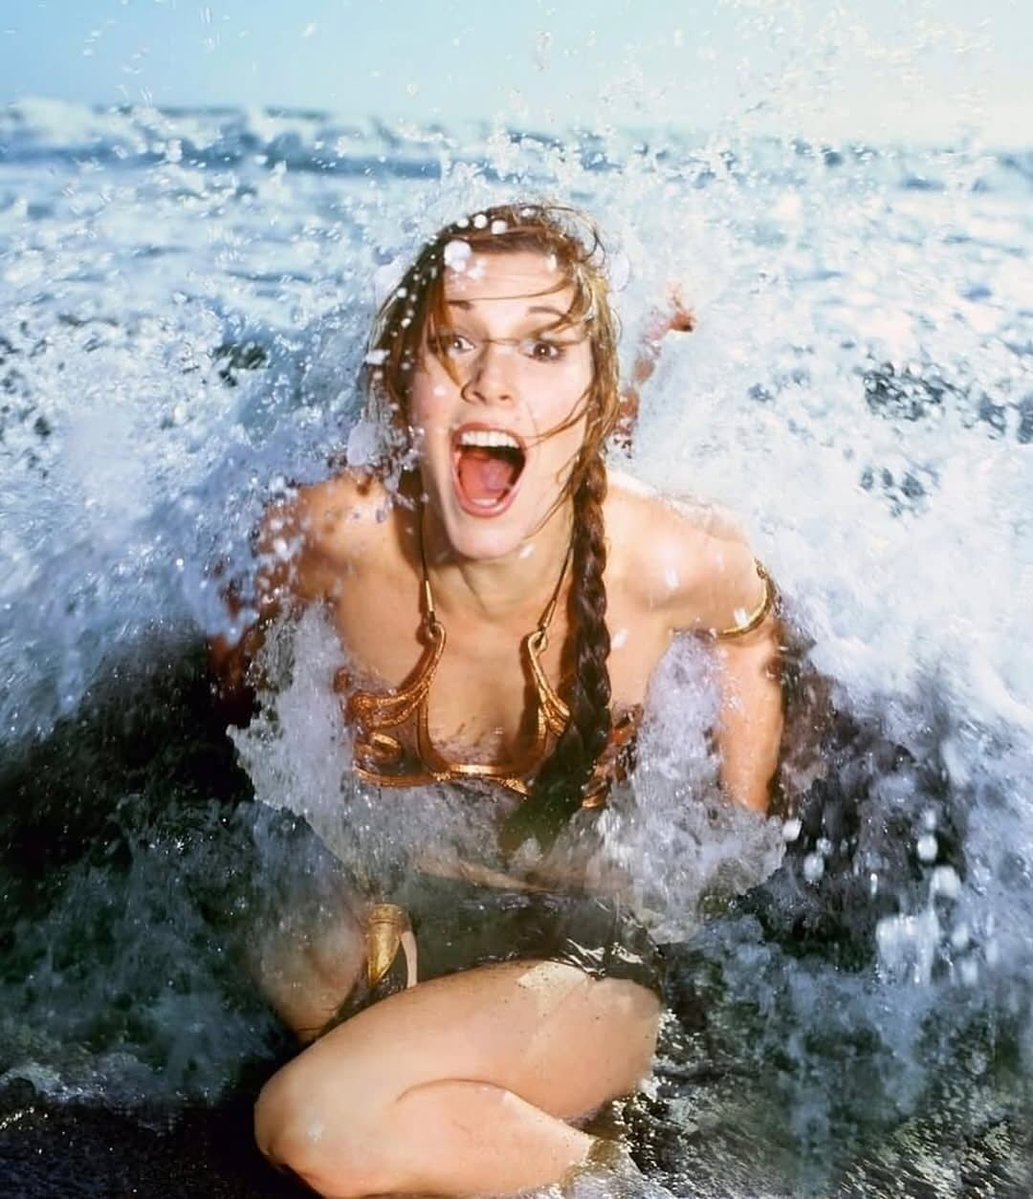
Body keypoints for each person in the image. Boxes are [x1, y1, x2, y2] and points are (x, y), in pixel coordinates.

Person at [211, 202, 783, 1198]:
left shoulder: (665, 558)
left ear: (598, 397)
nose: (491, 378)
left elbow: (749, 626)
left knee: (311, 1122)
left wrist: (736, 827)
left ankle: (621, 1176)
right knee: (290, 955)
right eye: (456, 343)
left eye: (544, 345)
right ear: (404, 389)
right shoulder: (335, 536)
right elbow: (237, 631)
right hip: (406, 909)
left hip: (591, 958)